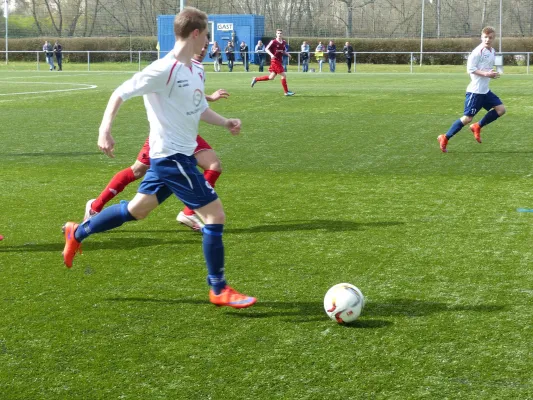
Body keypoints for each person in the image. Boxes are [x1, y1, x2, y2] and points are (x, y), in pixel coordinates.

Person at [62, 7, 256, 309]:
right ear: (195, 33)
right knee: (215, 215)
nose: (207, 40)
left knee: (137, 211)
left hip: (176, 156)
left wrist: (225, 121)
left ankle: (79, 231)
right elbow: (119, 93)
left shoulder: (197, 69)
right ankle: (218, 288)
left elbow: (198, 108)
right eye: (205, 34)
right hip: (171, 157)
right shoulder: (161, 70)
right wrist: (105, 129)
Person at [84, 44, 229, 232]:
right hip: (165, 138)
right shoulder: (167, 65)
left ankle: (189, 211)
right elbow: (125, 91)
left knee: (213, 165)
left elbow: (190, 94)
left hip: (184, 136)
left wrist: (210, 98)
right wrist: (104, 129)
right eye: (199, 43)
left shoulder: (197, 68)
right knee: (137, 172)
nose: (203, 49)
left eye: (206, 45)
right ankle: (95, 208)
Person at [438, 26, 506, 153]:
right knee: (467, 118)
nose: (487, 39)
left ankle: (477, 126)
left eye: (490, 37)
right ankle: (445, 137)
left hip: (485, 91)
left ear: (493, 38)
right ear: (481, 37)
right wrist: (486, 74)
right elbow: (470, 69)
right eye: (485, 37)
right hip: (475, 92)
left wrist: (492, 71)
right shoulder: (477, 52)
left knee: (501, 110)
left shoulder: (492, 51)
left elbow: (486, 66)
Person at [250, 29, 294, 96]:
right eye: (278, 33)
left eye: (280, 33)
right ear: (276, 34)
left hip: (279, 61)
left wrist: (287, 54)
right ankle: (286, 92)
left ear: (282, 34)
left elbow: (283, 51)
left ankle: (256, 79)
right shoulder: (273, 41)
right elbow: (266, 49)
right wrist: (271, 55)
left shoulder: (284, 42)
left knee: (271, 77)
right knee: (283, 75)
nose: (279, 34)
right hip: (275, 61)